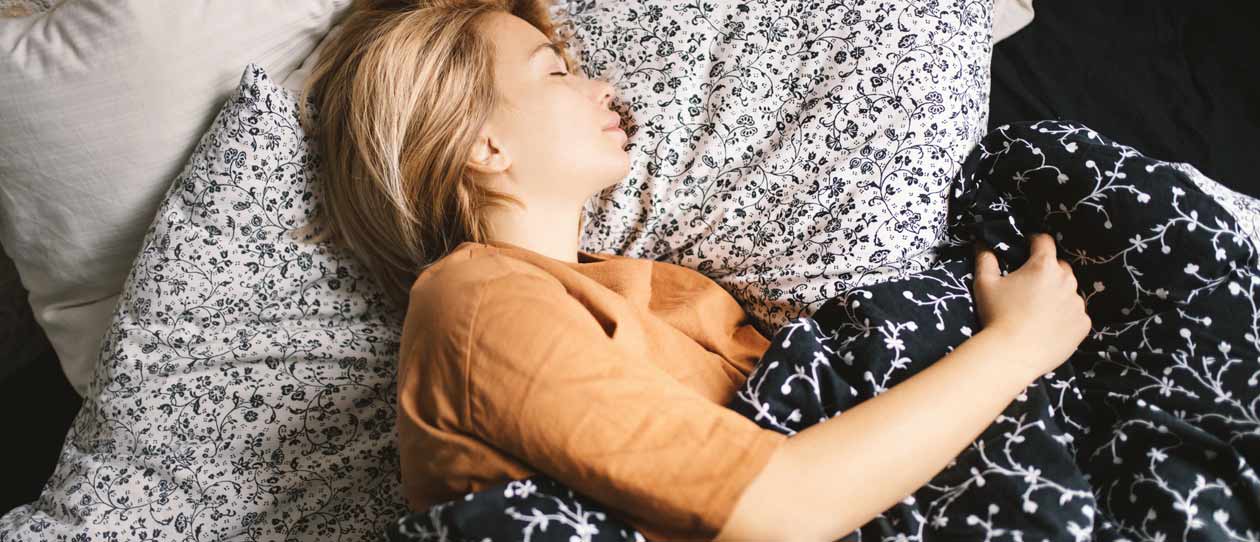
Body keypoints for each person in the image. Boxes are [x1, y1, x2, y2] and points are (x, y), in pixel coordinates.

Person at [296, 0, 1092, 539]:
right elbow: (783, 507)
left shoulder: (658, 286)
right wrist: (1018, 345)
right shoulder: (472, 303)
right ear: (483, 145)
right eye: (555, 71)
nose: (602, 85)